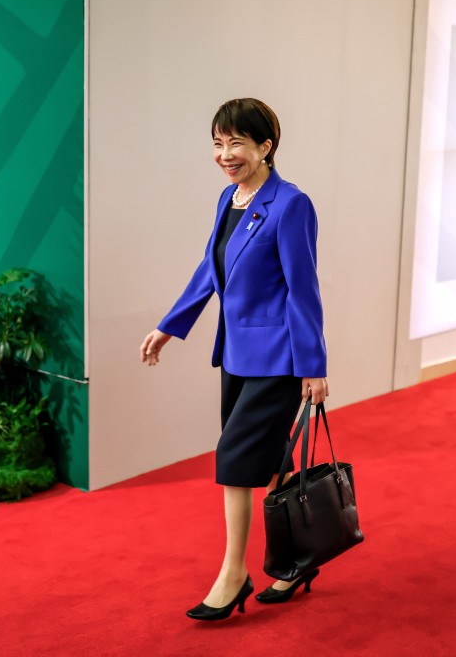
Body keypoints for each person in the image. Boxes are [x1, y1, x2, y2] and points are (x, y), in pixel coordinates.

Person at [140, 98, 329, 621]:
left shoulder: (291, 204)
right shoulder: (230, 198)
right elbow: (211, 268)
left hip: (280, 358)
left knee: (234, 462)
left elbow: (302, 289)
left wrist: (313, 365)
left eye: (236, 143)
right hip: (238, 355)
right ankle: (298, 560)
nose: (226, 154)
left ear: (265, 146)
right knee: (269, 463)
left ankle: (234, 573)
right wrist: (169, 326)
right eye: (218, 144)